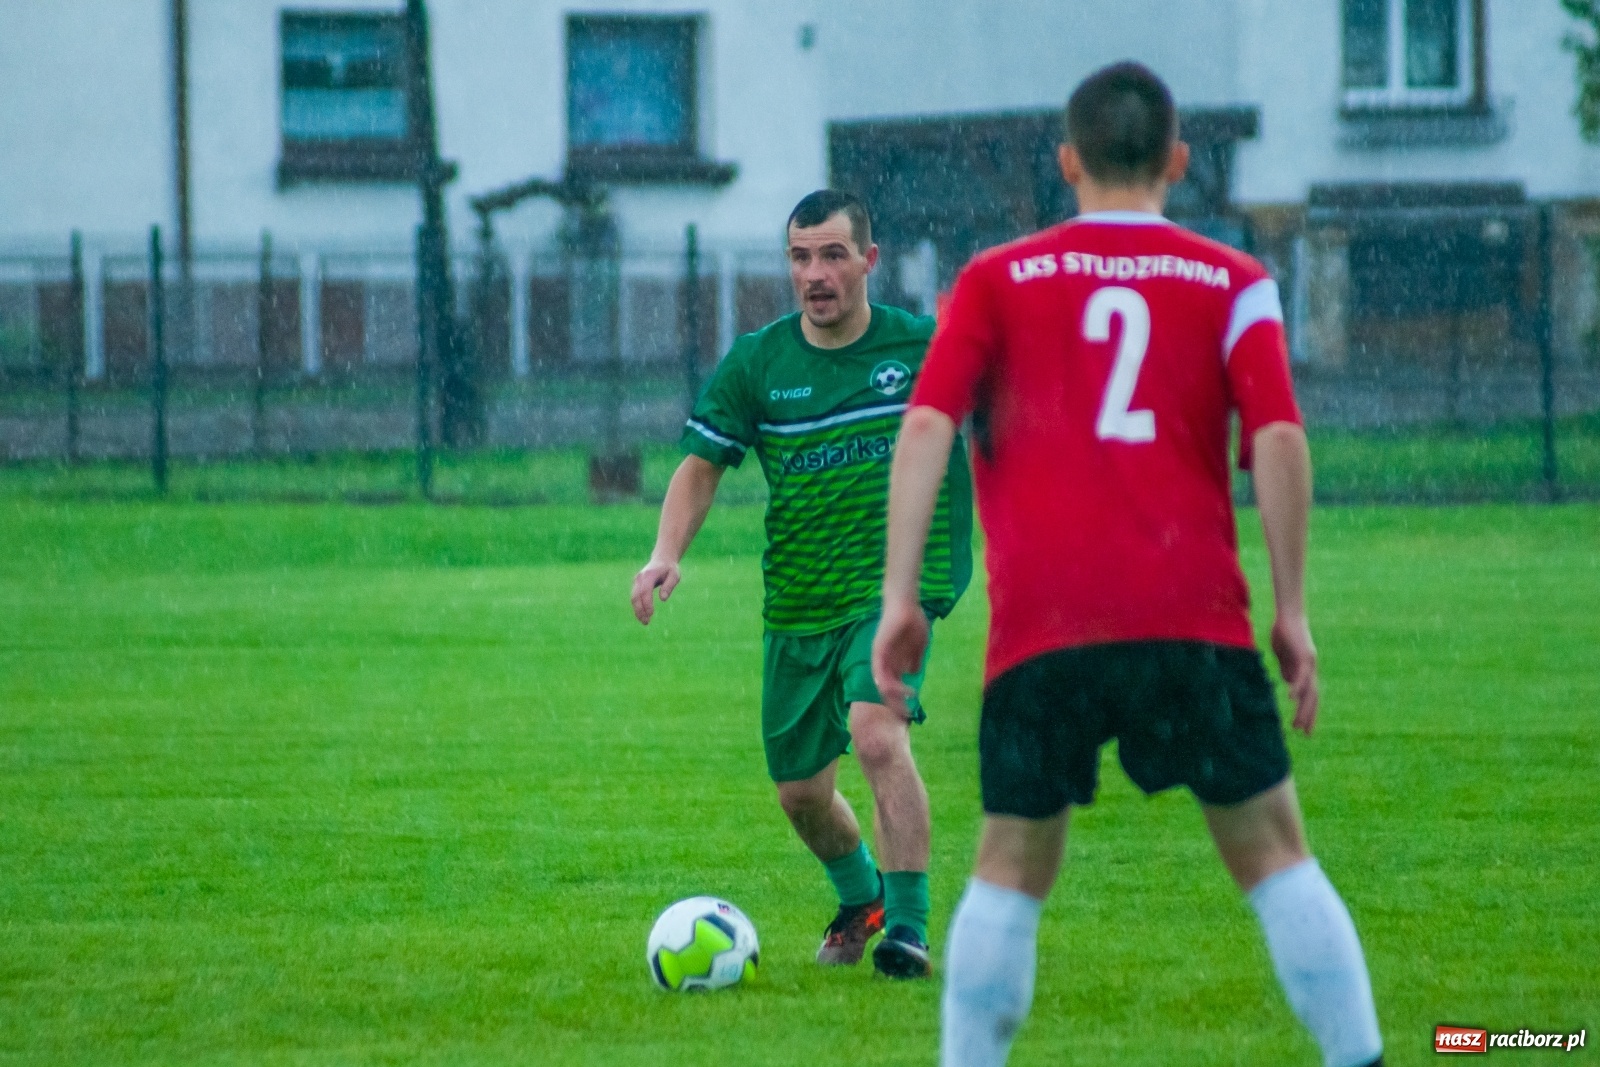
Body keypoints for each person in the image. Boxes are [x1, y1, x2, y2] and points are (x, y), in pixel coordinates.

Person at [872, 63, 1384, 1064]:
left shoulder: (994, 278)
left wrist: (900, 596)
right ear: (1178, 160)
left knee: (1010, 863)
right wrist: (1291, 609)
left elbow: (928, 416)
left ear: (1067, 162)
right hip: (1191, 617)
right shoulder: (1234, 282)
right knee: (1275, 854)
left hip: (1043, 626)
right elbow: (1277, 435)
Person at [631, 189, 973, 979]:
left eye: (831, 254)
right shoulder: (759, 362)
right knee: (801, 795)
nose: (814, 274)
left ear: (868, 261)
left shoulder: (923, 348)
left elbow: (1014, 406)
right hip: (798, 598)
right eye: (799, 257)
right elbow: (701, 467)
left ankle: (909, 932)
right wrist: (664, 551)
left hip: (894, 587)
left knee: (878, 732)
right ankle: (865, 899)